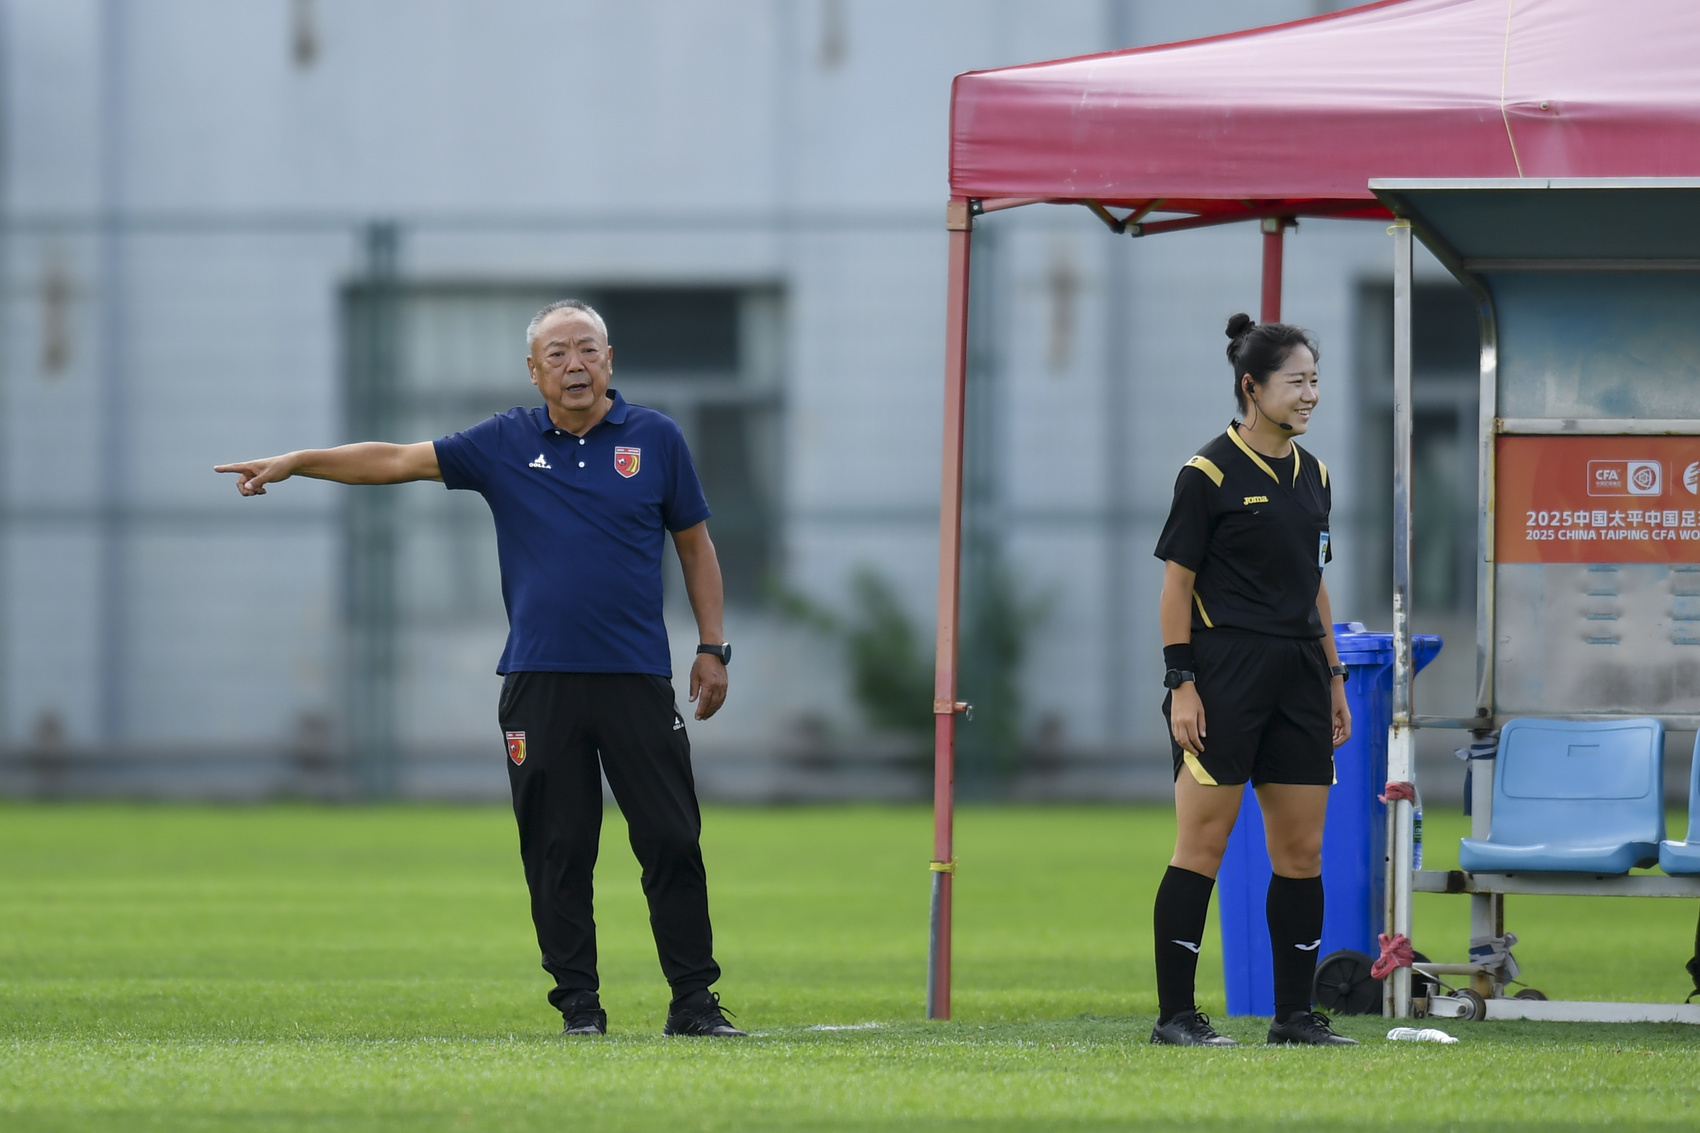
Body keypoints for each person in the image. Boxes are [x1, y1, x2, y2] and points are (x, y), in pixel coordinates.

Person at [215, 299, 745, 1038]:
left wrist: (712, 646)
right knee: (558, 848)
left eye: (587, 349)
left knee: (672, 838)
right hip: (539, 679)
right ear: (534, 371)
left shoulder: (656, 438)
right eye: (557, 353)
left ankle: (693, 1003)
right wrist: (300, 461)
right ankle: (580, 1008)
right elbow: (396, 460)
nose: (574, 364)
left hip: (635, 677)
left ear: (610, 360)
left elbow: (695, 545)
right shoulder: (504, 442)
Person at [1147, 313, 1356, 1047]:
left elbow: (1314, 583)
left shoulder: (1317, 476)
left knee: (1302, 851)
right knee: (1202, 845)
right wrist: (1182, 683)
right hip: (1224, 672)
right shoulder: (1206, 473)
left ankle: (1294, 1018)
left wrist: (1334, 676)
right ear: (1252, 387)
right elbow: (1176, 588)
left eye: (1315, 381)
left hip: (1299, 672)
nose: (1311, 395)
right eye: (1297, 382)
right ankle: (1176, 1017)